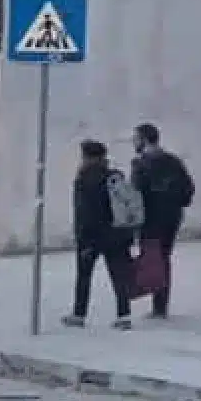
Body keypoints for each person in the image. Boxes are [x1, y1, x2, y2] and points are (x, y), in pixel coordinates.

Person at [65, 139, 138, 330]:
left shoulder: (83, 180)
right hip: (116, 234)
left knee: (84, 276)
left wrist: (82, 237)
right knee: (119, 276)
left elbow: (83, 212)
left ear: (87, 157)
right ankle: (124, 316)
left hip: (91, 236)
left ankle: (79, 314)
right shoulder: (115, 177)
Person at [130, 123, 194, 320]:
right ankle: (160, 304)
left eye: (136, 138)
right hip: (171, 217)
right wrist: (176, 204)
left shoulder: (141, 164)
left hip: (150, 219)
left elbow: (136, 194)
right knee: (163, 258)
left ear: (144, 139)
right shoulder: (173, 161)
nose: (134, 142)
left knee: (152, 259)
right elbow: (188, 188)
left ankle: (156, 304)